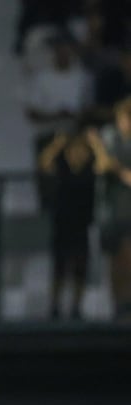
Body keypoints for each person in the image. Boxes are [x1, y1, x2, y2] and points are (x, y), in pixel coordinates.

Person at [37, 128, 100, 319]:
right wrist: (57, 144)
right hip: (62, 223)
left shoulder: (90, 169)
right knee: (59, 266)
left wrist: (95, 143)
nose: (78, 154)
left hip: (82, 224)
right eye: (74, 150)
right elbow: (44, 163)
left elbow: (104, 164)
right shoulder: (62, 168)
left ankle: (76, 307)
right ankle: (55, 306)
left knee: (80, 266)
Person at [92, 96, 131, 321]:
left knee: (128, 256)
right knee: (116, 259)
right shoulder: (109, 136)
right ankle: (119, 303)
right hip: (110, 211)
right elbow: (102, 164)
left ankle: (127, 301)